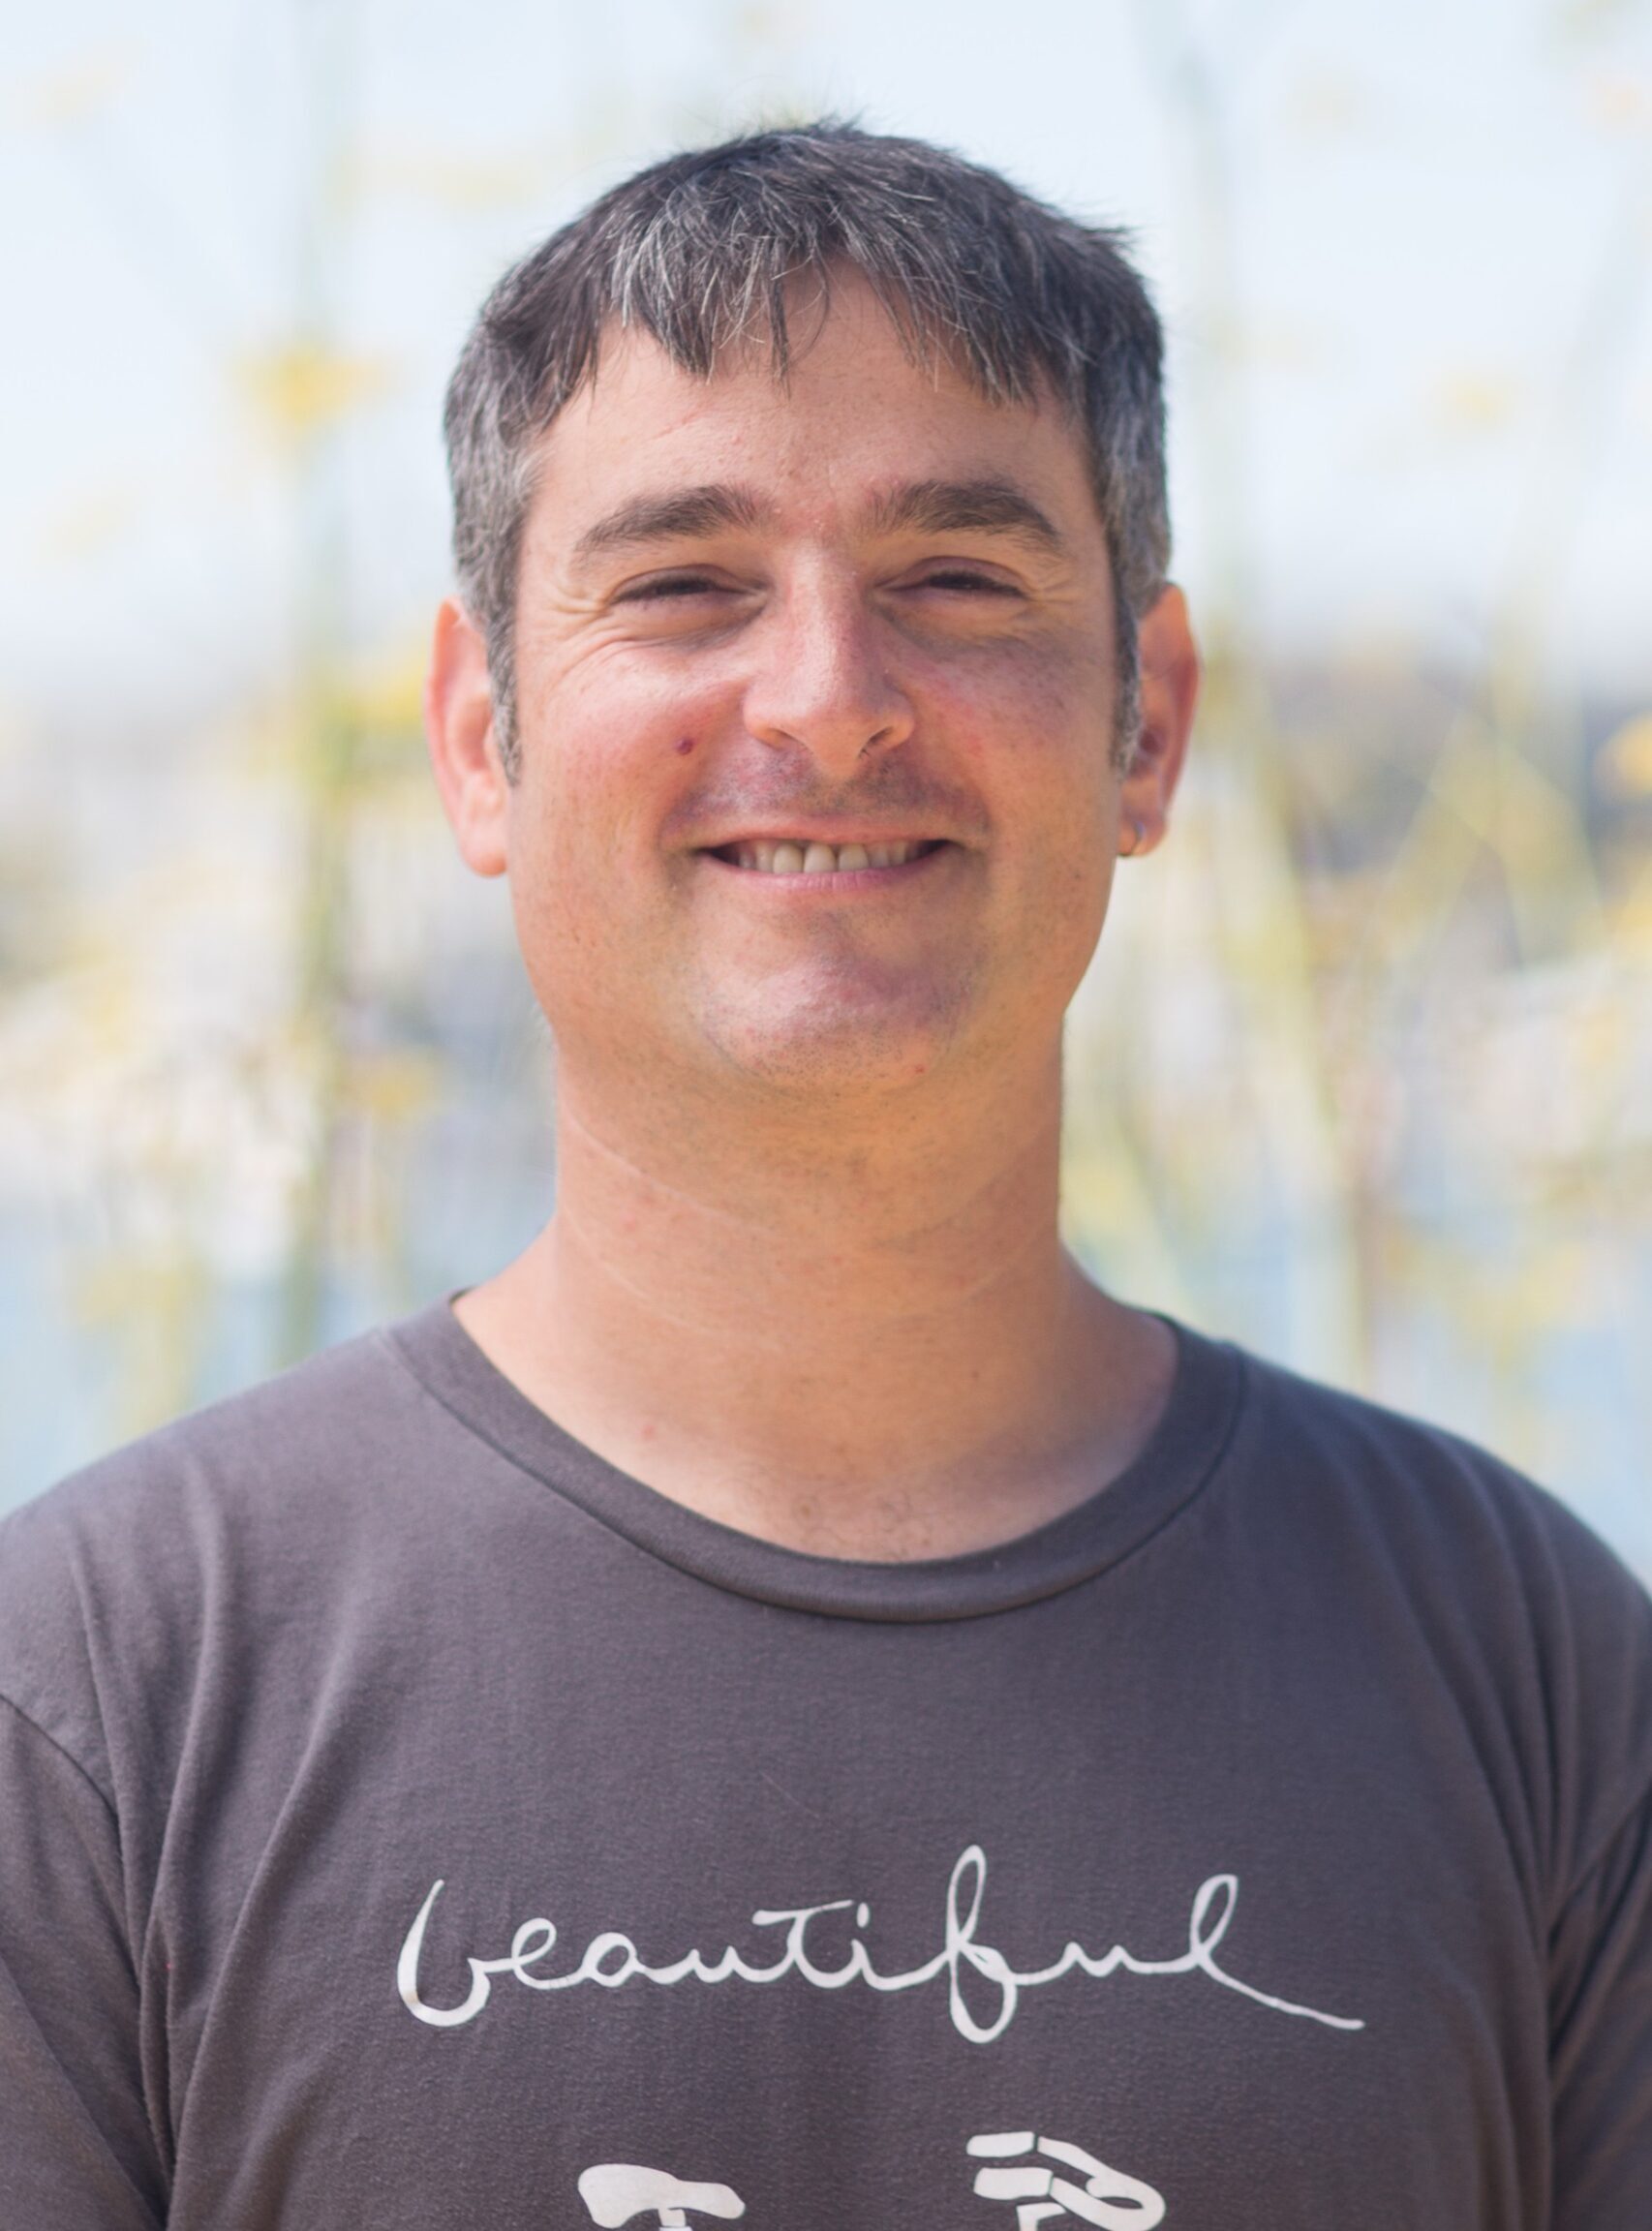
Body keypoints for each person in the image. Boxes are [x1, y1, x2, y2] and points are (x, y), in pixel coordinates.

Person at [1, 122, 1647, 2231]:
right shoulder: (102, 1699)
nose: (827, 700)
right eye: (682, 587)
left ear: (1146, 725)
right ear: (480, 739)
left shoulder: (1524, 1671)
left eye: (955, 582)